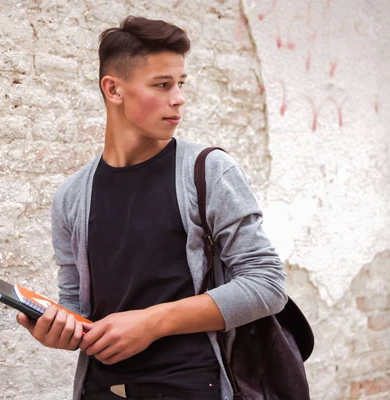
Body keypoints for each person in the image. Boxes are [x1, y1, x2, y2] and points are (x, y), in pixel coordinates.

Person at [16, 15, 287, 400]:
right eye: (162, 85)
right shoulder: (71, 196)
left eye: (180, 84)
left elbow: (266, 283)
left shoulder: (209, 171)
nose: (178, 98)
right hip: (100, 389)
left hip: (193, 386)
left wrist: (153, 322)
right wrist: (61, 328)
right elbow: (77, 303)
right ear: (113, 89)